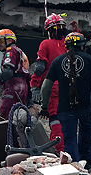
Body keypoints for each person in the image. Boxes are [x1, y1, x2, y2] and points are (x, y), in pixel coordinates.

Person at [41, 32, 91, 164]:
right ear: (82, 46)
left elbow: (46, 87)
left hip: (65, 108)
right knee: (86, 135)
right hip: (85, 107)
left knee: (69, 139)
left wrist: (44, 107)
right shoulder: (90, 60)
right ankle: (87, 162)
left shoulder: (57, 61)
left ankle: (73, 166)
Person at [30, 13, 67, 152]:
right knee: (67, 120)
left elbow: (40, 67)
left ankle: (59, 150)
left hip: (53, 88)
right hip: (70, 88)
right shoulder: (68, 45)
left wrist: (34, 85)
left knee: (55, 118)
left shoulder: (46, 43)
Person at [0, 29, 31, 119]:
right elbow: (27, 77)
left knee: (5, 113)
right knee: (16, 117)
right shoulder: (20, 52)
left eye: (0, 41)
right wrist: (29, 98)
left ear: (9, 40)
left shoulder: (10, 51)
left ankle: (3, 133)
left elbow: (8, 72)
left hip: (13, 86)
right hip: (23, 87)